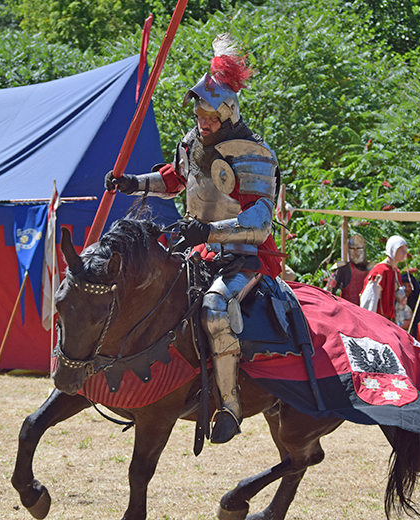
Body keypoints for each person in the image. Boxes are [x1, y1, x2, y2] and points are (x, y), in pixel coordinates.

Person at [105, 34, 280, 444]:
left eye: (210, 115)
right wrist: (133, 184)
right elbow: (175, 179)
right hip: (196, 248)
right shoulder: (193, 142)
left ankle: (231, 406)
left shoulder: (252, 153)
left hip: (240, 254)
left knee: (215, 310)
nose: (203, 121)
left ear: (228, 111)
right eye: (199, 113)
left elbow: (260, 221)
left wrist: (211, 230)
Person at [360, 236, 407, 323]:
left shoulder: (395, 271)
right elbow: (370, 300)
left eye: (406, 250)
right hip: (378, 322)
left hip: (391, 322)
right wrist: (368, 323)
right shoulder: (380, 271)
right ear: (393, 250)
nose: (405, 253)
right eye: (402, 250)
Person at [325, 234, 375, 305]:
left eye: (358, 248)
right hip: (347, 310)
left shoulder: (372, 268)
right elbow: (329, 290)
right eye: (352, 249)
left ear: (363, 249)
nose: (355, 252)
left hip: (367, 311)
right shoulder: (343, 268)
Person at [401, 271, 420, 337]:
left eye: (409, 286)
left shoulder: (417, 304)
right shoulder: (395, 301)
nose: (407, 289)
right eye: (404, 285)